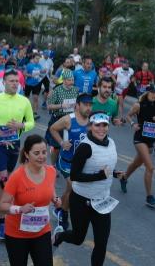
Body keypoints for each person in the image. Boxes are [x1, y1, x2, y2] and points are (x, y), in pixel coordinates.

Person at [52, 111, 119, 266]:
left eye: (104, 125)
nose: (101, 129)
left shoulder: (112, 143)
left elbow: (104, 168)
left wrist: (115, 173)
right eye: (97, 125)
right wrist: (100, 176)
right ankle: (59, 236)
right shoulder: (85, 147)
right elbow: (75, 176)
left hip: (102, 201)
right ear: (90, 126)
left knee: (101, 244)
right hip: (81, 200)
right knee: (78, 238)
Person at [0, 69, 35, 240]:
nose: (15, 84)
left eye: (17, 81)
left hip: (14, 145)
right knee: (5, 181)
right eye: (11, 81)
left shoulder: (24, 101)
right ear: (3, 83)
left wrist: (22, 126)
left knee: (3, 178)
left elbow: (31, 121)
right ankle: (3, 223)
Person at [0, 135, 60, 266]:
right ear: (27, 154)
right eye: (36, 153)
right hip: (17, 235)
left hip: (42, 231)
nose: (42, 156)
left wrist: (54, 198)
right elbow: (2, 206)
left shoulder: (51, 171)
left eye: (44, 152)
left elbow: (50, 186)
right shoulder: (17, 177)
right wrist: (20, 209)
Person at [49, 93, 93, 231]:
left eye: (90, 105)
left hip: (83, 163)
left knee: (71, 189)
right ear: (77, 105)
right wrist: (62, 142)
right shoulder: (68, 119)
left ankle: (60, 206)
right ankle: (63, 215)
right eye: (85, 104)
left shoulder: (92, 121)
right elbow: (53, 129)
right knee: (73, 187)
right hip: (67, 161)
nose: (88, 108)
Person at [119, 85, 155, 208]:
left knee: (136, 163)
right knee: (150, 167)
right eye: (151, 92)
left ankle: (124, 177)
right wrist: (133, 124)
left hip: (151, 140)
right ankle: (149, 197)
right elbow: (128, 116)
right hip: (139, 138)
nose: (154, 94)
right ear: (147, 93)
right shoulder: (139, 105)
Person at [46, 69, 80, 166]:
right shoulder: (57, 90)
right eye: (69, 80)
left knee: (70, 145)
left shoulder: (76, 90)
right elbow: (49, 106)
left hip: (70, 120)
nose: (71, 82)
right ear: (64, 80)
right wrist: (61, 105)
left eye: (72, 80)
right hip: (58, 120)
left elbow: (78, 103)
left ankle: (65, 164)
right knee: (56, 146)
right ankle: (53, 165)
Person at [24, 52, 44, 117]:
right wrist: (31, 75)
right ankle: (24, 111)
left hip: (36, 84)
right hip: (28, 83)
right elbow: (24, 73)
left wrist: (41, 73)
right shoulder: (29, 65)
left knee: (35, 98)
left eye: (39, 59)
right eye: (36, 58)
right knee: (26, 98)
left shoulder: (40, 66)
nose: (38, 60)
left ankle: (34, 112)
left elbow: (40, 74)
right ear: (33, 58)